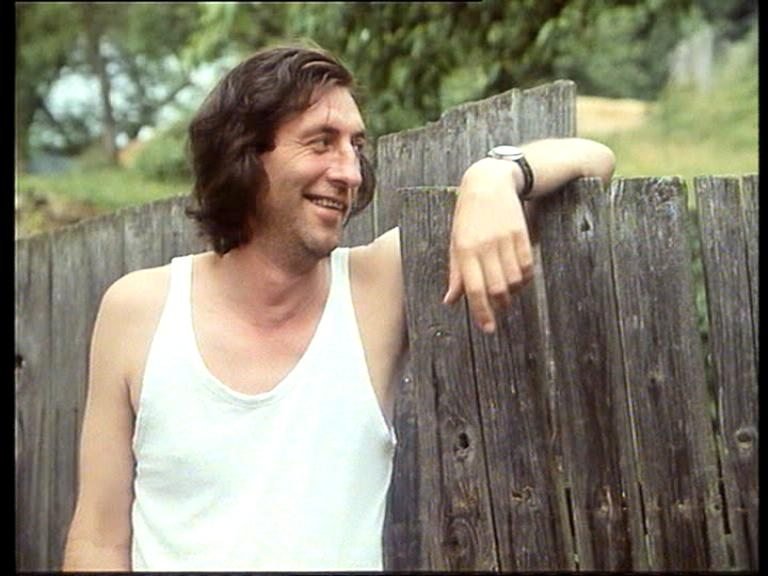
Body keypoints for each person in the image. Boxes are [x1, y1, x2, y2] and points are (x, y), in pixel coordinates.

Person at [62, 43, 615, 571]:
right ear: (243, 155)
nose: (350, 172)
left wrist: (494, 175)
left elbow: (596, 160)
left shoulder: (375, 289)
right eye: (321, 142)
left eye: (355, 146)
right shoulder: (138, 311)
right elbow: (97, 538)